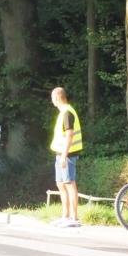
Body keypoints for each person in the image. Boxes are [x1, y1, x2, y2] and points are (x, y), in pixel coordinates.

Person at [49, 87, 83, 227]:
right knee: (61, 184)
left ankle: (74, 218)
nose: (52, 101)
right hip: (61, 154)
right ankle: (66, 216)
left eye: (52, 98)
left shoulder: (67, 113)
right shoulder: (64, 112)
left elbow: (70, 135)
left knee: (69, 183)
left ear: (57, 98)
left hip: (67, 155)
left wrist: (64, 155)